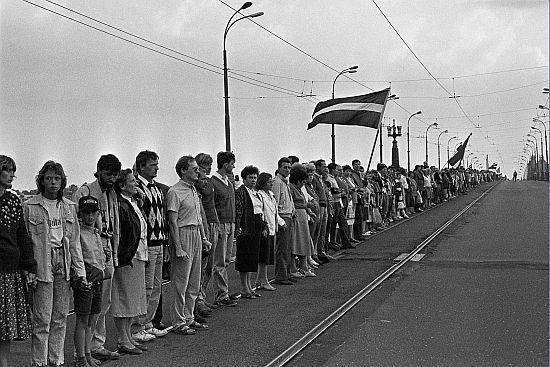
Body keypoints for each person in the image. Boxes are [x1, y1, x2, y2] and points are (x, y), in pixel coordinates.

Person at [23, 161, 87, 367]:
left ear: (62, 181)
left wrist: (80, 272)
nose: (52, 182)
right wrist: (28, 269)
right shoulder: (30, 206)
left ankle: (56, 360)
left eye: (56, 178)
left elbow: (75, 242)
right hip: (42, 262)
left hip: (64, 261)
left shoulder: (69, 207)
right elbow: (24, 241)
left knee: (60, 316)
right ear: (41, 180)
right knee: (42, 318)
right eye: (48, 178)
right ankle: (39, 362)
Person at [72, 154, 121, 361]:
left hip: (105, 252)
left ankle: (96, 345)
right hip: (87, 255)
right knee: (87, 312)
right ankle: (82, 353)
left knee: (103, 304)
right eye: (107, 174)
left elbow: (114, 223)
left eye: (115, 175)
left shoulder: (112, 193)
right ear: (98, 171)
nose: (111, 178)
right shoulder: (84, 192)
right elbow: (75, 227)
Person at [167, 156, 211, 334]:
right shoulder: (175, 192)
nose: (198, 172)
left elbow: (199, 218)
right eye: (194, 169)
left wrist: (204, 238)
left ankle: (189, 317)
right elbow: (172, 221)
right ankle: (178, 321)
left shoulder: (194, 190)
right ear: (183, 170)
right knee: (181, 281)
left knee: (194, 280)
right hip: (183, 234)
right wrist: (178, 247)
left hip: (196, 235)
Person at [0, 155, 37, 367]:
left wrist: (29, 264)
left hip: (10, 271)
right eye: (8, 170)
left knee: (5, 330)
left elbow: (22, 235)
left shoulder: (14, 200)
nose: (12, 175)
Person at [111, 169, 149, 355]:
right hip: (128, 257)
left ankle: (127, 336)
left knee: (133, 299)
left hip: (138, 254)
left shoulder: (131, 203)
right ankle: (122, 338)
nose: (136, 184)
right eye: (132, 181)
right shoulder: (121, 204)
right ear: (123, 185)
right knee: (124, 298)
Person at [133, 151, 169, 341]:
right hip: (147, 245)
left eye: (157, 164)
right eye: (152, 164)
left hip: (160, 242)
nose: (156, 167)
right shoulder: (137, 187)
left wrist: (166, 242)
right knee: (146, 288)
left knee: (156, 287)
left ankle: (149, 322)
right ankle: (137, 327)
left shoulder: (156, 188)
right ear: (141, 166)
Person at [73, 196, 108, 367]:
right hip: (86, 279)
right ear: (81, 213)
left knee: (93, 319)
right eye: (87, 213)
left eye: (94, 212)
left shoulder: (96, 232)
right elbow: (78, 256)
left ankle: (87, 353)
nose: (90, 216)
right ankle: (80, 357)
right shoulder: (78, 232)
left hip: (98, 279)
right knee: (82, 320)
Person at [210, 152, 238, 307]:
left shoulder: (228, 182)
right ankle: (221, 294)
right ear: (226, 164)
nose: (233, 166)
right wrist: (217, 225)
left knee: (226, 260)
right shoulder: (213, 182)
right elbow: (212, 204)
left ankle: (224, 291)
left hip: (230, 223)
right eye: (232, 163)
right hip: (221, 224)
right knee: (219, 261)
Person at [234, 165, 266, 298]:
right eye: (250, 177)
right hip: (246, 229)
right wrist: (239, 227)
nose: (253, 180)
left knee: (252, 258)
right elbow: (239, 210)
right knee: (245, 259)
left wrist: (264, 226)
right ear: (244, 179)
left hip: (256, 228)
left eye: (255, 177)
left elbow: (260, 211)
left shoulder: (256, 193)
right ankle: (244, 288)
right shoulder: (241, 192)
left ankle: (249, 287)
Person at [194, 153, 220, 313]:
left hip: (213, 222)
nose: (208, 169)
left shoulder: (209, 182)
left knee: (209, 265)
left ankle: (202, 295)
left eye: (209, 165)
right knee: (202, 265)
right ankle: (198, 300)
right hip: (205, 224)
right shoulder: (198, 183)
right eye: (205, 166)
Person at [255, 172, 284, 291]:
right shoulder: (260, 195)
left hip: (272, 228)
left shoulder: (270, 194)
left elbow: (275, 211)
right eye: (268, 182)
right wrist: (264, 227)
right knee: (264, 257)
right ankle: (264, 280)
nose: (271, 183)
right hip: (265, 229)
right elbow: (261, 212)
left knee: (267, 255)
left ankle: (259, 279)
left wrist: (281, 222)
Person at [272, 157, 297, 285]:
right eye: (285, 167)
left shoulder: (285, 182)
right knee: (282, 248)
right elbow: (275, 203)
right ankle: (281, 275)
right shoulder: (276, 182)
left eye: (289, 168)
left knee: (287, 247)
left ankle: (286, 273)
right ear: (279, 168)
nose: (287, 170)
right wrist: (279, 220)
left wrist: (292, 210)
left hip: (289, 215)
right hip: (282, 217)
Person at [288, 164, 315, 277]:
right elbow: (293, 203)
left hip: (303, 216)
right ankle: (293, 268)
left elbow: (302, 202)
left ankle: (304, 266)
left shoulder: (299, 189)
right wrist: (307, 205)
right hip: (297, 216)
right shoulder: (291, 188)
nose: (304, 183)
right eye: (302, 181)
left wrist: (309, 211)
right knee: (296, 242)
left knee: (304, 242)